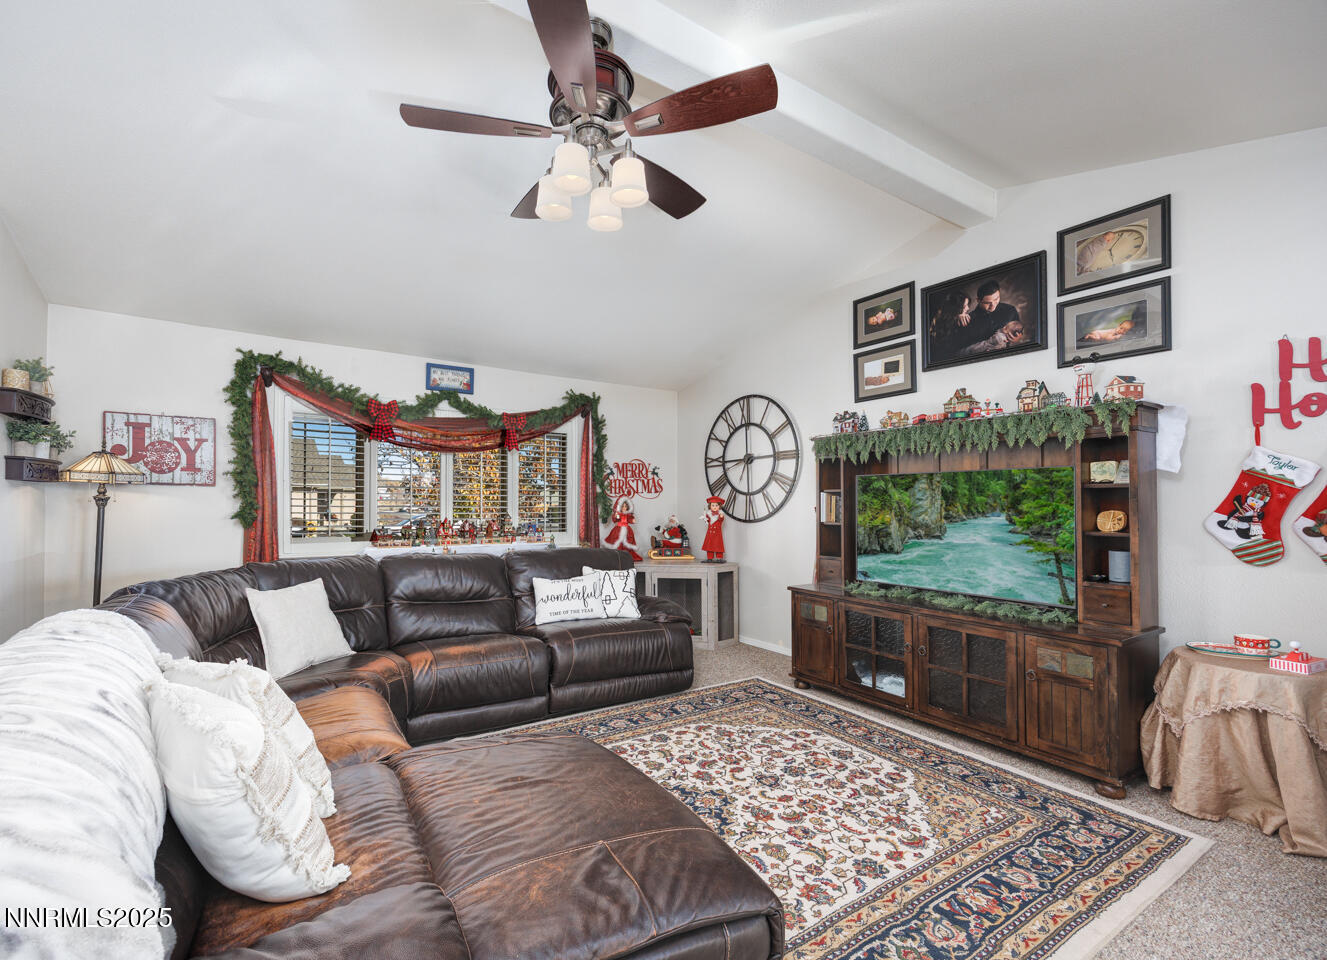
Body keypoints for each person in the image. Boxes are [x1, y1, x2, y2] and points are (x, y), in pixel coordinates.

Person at [957, 280, 1022, 353]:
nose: (993, 305)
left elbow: (1019, 331)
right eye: (987, 303)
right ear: (978, 300)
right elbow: (958, 350)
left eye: (996, 299)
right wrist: (956, 315)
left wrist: (1018, 338)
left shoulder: (1010, 310)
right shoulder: (967, 320)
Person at [958, 317, 1025, 357]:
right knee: (969, 351)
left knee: (968, 350)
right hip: (978, 350)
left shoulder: (1000, 332)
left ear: (1005, 328)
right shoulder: (1000, 339)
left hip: (978, 347)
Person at [701, 497, 725, 562]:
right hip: (710, 533)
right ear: (710, 506)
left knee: (718, 545)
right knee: (709, 545)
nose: (714, 507)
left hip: (717, 533)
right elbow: (708, 520)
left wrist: (721, 517)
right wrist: (705, 518)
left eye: (716, 505)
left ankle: (719, 558)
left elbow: (721, 520)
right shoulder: (709, 514)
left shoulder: (720, 514)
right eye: (713, 505)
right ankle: (709, 558)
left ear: (719, 506)